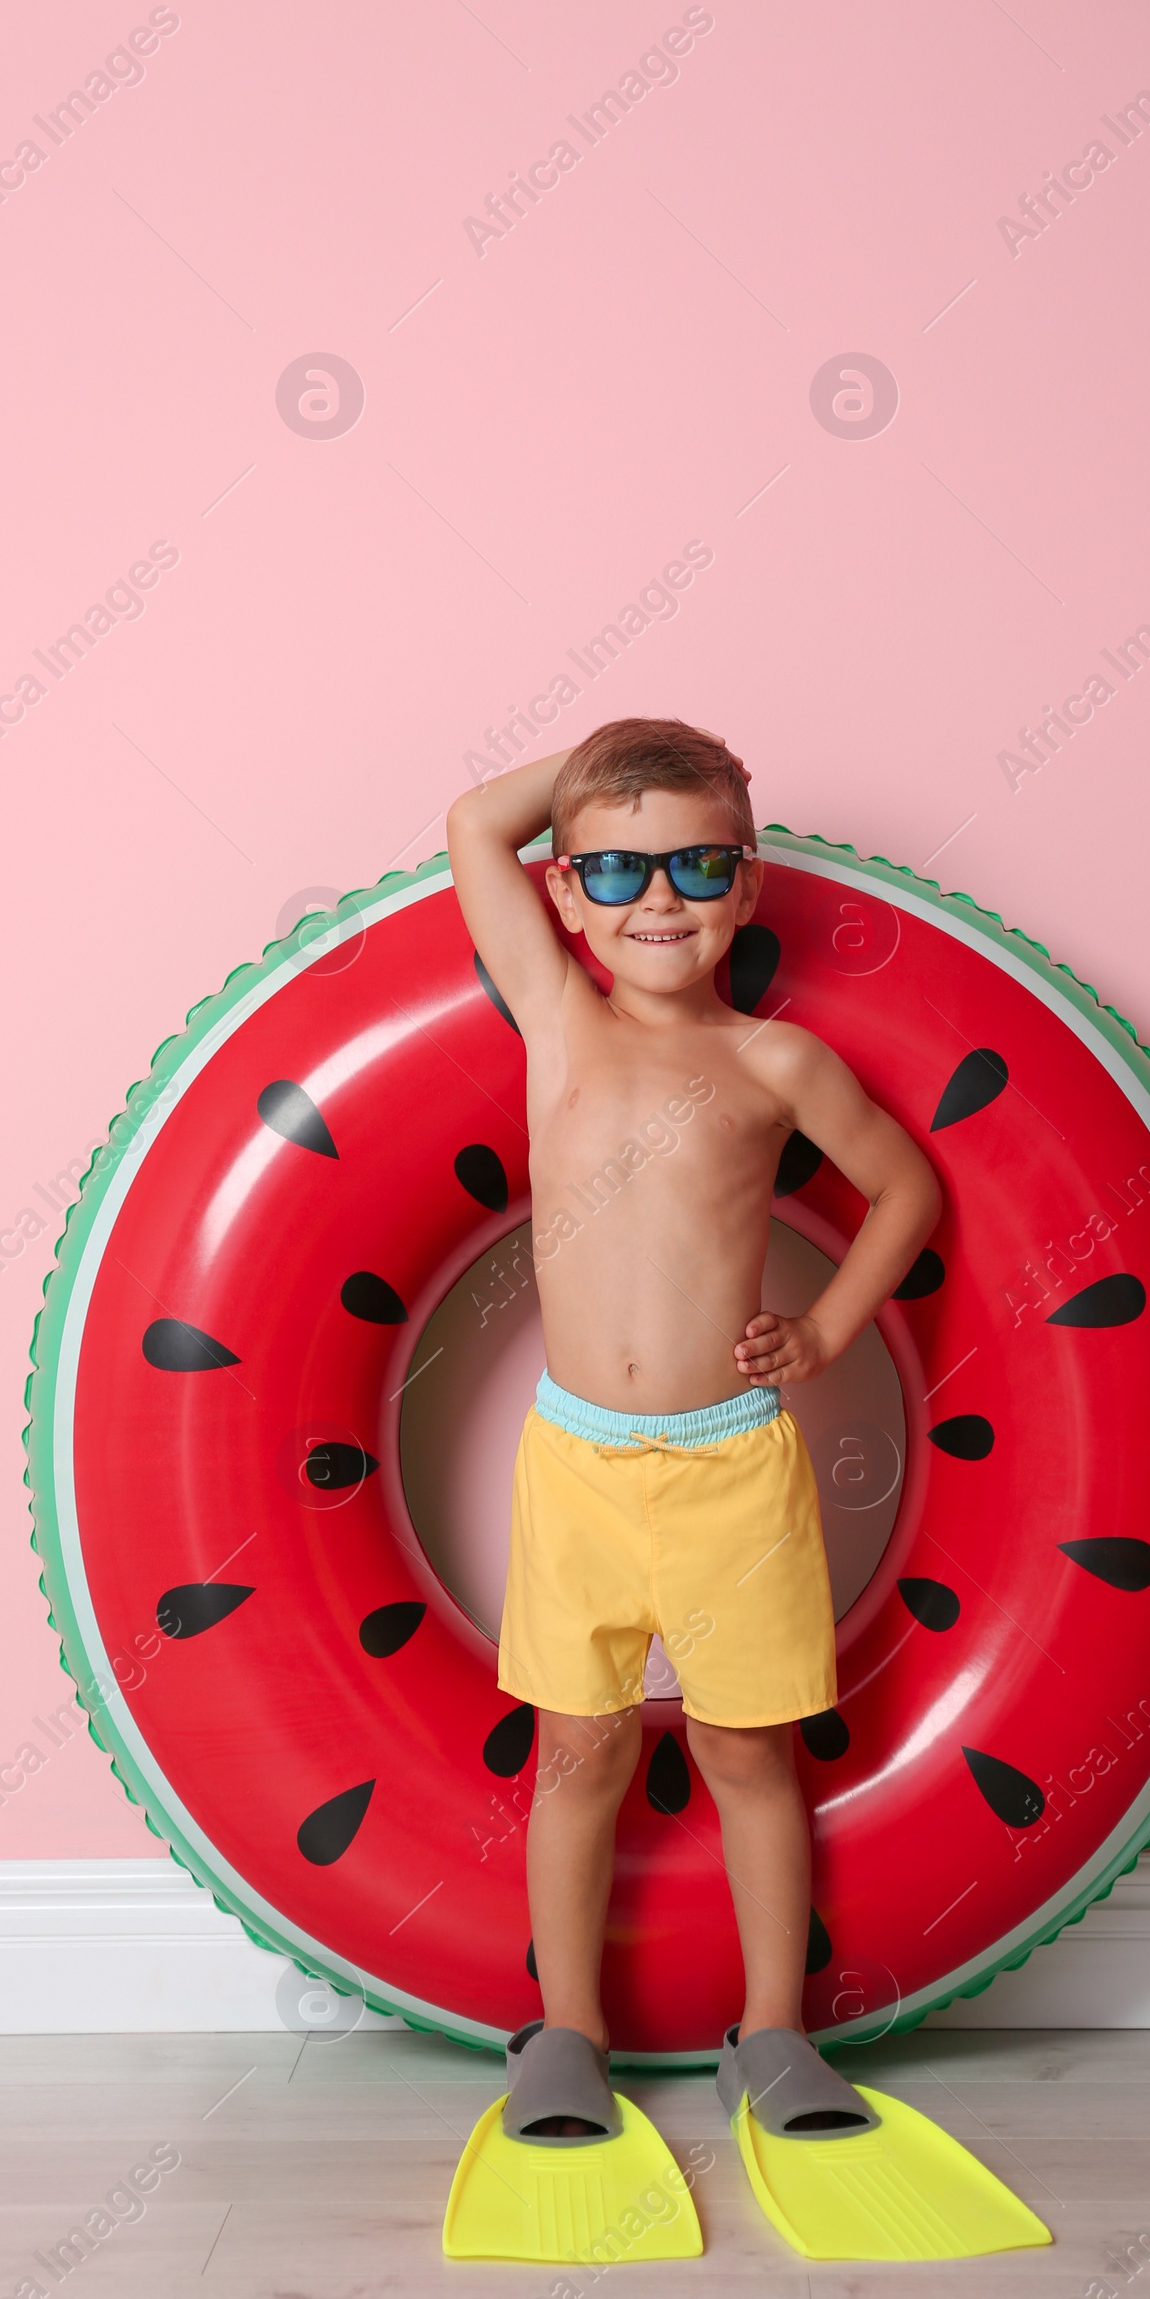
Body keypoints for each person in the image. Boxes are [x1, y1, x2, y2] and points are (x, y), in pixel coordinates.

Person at [445, 717, 940, 2138]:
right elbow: (480, 821)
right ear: (563, 893)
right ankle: (567, 2035)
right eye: (613, 873)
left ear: (748, 879)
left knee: (744, 1751)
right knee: (581, 1749)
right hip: (579, 1465)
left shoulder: (777, 1066)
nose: (657, 899)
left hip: (733, 1462)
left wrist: (828, 1330)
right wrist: (613, 762)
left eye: (695, 865)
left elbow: (903, 1190)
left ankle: (775, 2033)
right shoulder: (560, 1020)